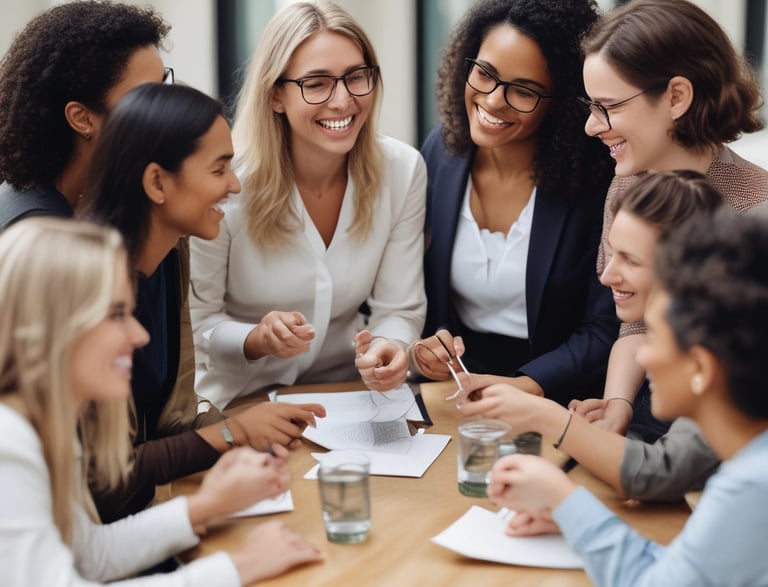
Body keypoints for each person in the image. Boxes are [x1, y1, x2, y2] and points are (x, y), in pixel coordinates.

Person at [0, 217, 324, 586]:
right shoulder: (9, 443)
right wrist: (238, 567)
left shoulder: (42, 426)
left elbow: (91, 556)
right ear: (54, 325)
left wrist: (210, 504)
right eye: (117, 315)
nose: (139, 335)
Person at [80, 83, 325, 523]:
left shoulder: (172, 253)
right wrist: (230, 432)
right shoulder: (87, 293)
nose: (234, 185)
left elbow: (170, 417)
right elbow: (104, 481)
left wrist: (247, 426)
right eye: (219, 170)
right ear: (157, 182)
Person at [486, 210, 768, 586]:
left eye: (655, 339)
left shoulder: (751, 484)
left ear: (701, 367)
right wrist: (571, 516)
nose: (643, 356)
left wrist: (563, 497)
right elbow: (685, 572)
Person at [189, 1, 427, 409]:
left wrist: (389, 349)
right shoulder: (227, 184)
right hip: (242, 401)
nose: (343, 101)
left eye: (357, 77)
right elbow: (197, 324)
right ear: (276, 96)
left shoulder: (401, 170)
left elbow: (399, 308)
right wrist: (255, 339)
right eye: (317, 84)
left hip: (350, 398)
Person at [459, 170, 723, 503]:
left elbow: (659, 472)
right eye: (612, 253)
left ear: (685, 268)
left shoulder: (726, 355)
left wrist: (547, 416)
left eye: (629, 260)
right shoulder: (686, 336)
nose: (607, 275)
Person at [572, 0, 768, 437]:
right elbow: (635, 323)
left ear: (677, 96)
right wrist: (616, 405)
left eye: (608, 106)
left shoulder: (757, 211)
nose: (591, 126)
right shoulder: (625, 186)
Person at [408, 0, 617, 406]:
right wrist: (427, 350)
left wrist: (527, 385)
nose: (493, 100)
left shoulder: (595, 181)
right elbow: (421, 295)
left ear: (562, 99)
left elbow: (607, 326)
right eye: (485, 73)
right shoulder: (440, 152)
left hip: (557, 396)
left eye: (524, 90)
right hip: (454, 392)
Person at [0, 1, 171, 230]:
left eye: (165, 85)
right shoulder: (43, 233)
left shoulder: (68, 205)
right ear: (82, 118)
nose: (169, 106)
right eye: (148, 95)